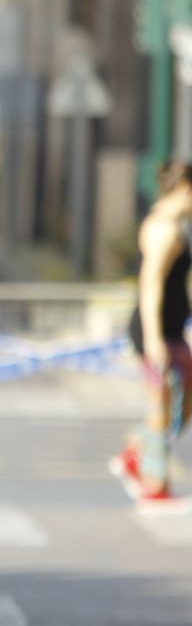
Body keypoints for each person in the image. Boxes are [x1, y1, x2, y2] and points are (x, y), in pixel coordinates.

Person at [112, 163, 192, 504]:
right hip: (156, 331)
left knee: (180, 405)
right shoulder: (164, 230)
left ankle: (135, 450)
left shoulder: (170, 225)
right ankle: (154, 485)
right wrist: (154, 337)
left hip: (170, 328)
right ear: (185, 189)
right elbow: (151, 285)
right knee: (161, 407)